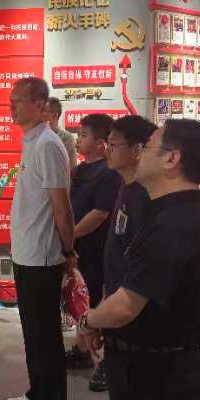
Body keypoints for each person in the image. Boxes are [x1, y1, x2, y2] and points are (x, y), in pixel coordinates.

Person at [76, 119, 200, 400]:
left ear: (172, 159)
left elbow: (127, 305)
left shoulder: (174, 223)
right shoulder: (163, 210)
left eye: (149, 147)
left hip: (160, 373)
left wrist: (88, 320)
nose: (140, 155)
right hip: (142, 363)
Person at [5, 77, 76, 400]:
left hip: (43, 257)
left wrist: (68, 251)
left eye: (18, 101)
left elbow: (61, 208)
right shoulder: (31, 142)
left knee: (46, 338)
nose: (12, 107)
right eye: (11, 101)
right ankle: (37, 394)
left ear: (40, 104)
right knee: (32, 334)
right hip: (26, 252)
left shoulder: (47, 145)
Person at [96, 115, 158, 400]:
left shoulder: (147, 198)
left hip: (134, 312)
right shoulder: (125, 188)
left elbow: (141, 267)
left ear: (137, 150)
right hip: (116, 299)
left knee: (138, 388)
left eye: (113, 144)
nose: (107, 150)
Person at [67, 114, 122, 370]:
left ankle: (104, 359)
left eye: (84, 135)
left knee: (100, 301)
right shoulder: (79, 170)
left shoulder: (109, 173)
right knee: (81, 299)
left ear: (101, 143)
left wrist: (71, 235)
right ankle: (82, 349)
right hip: (78, 247)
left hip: (98, 247)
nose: (78, 140)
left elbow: (100, 213)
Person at [42, 96, 78, 170]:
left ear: (55, 114)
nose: (41, 114)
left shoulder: (66, 138)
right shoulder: (36, 136)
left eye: (44, 111)